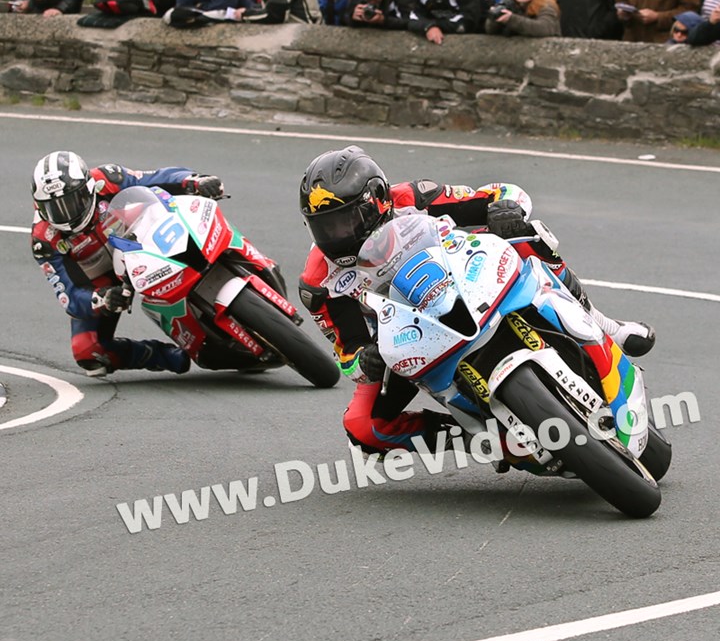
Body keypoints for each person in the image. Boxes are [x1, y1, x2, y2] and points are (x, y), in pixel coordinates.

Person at [298, 146, 656, 456]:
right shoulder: (318, 282)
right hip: (403, 340)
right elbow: (348, 356)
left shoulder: (413, 197)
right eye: (325, 227)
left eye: (346, 222)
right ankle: (476, 438)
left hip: (469, 281)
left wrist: (507, 210)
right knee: (362, 427)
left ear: (378, 200)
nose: (337, 235)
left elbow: (502, 193)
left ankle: (601, 322)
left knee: (525, 234)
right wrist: (367, 361)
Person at [31, 150, 225, 377]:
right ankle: (161, 355)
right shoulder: (43, 240)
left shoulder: (105, 179)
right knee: (88, 352)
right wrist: (102, 298)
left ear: (87, 189)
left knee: (193, 233)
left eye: (71, 201)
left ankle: (244, 264)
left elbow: (152, 178)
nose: (65, 214)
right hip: (104, 281)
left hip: (141, 240)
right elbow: (69, 295)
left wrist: (194, 181)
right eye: (55, 207)